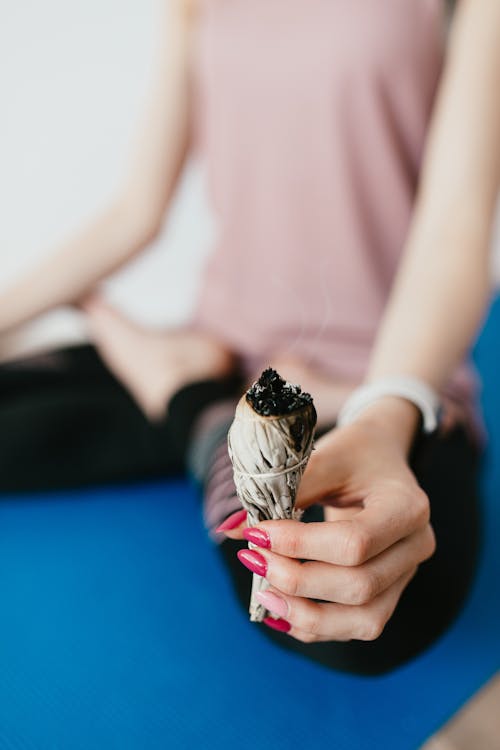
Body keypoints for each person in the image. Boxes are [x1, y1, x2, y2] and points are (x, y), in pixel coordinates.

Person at [0, 0, 499, 673]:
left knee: (353, 609)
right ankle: (202, 395)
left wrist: (387, 411)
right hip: (231, 340)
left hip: (374, 379)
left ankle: (184, 392)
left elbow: (455, 230)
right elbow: (135, 211)